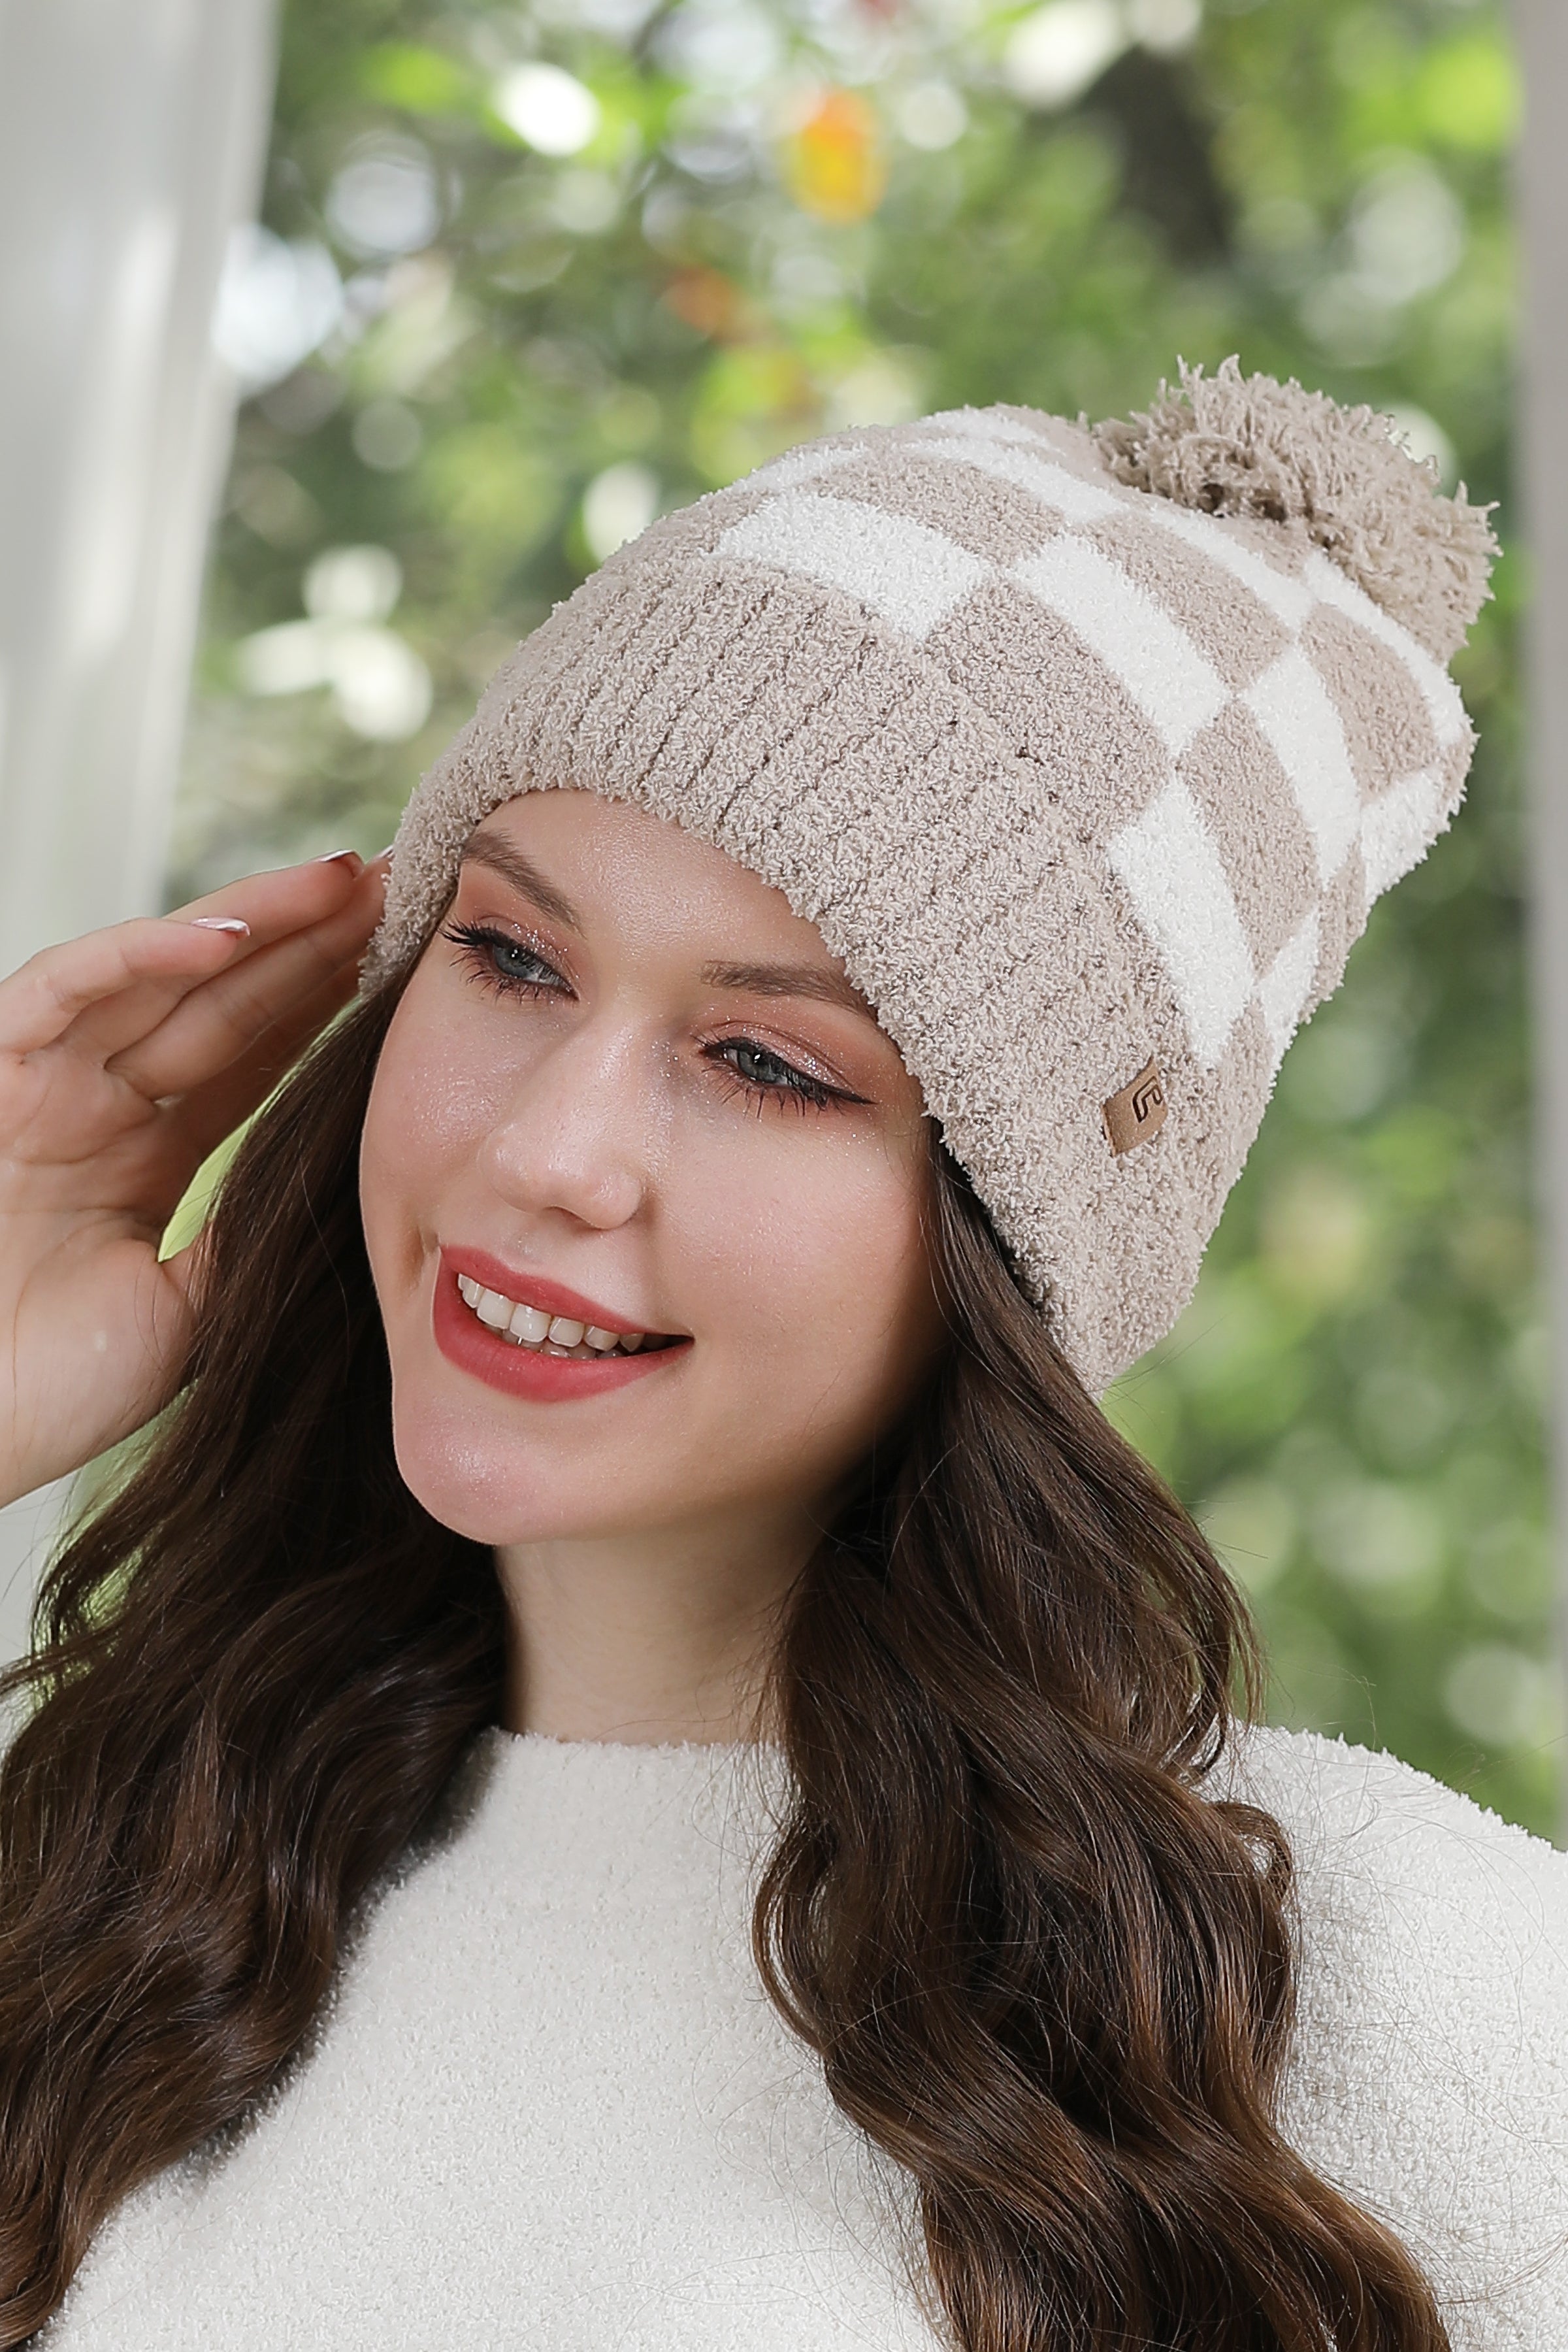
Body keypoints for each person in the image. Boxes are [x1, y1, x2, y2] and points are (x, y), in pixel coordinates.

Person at [0, 360, 1560, 2352]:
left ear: (1009, 1241)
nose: (549, 1149)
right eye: (507, 957)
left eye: (765, 1063)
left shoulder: (1348, 1990)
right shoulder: (122, 1877)